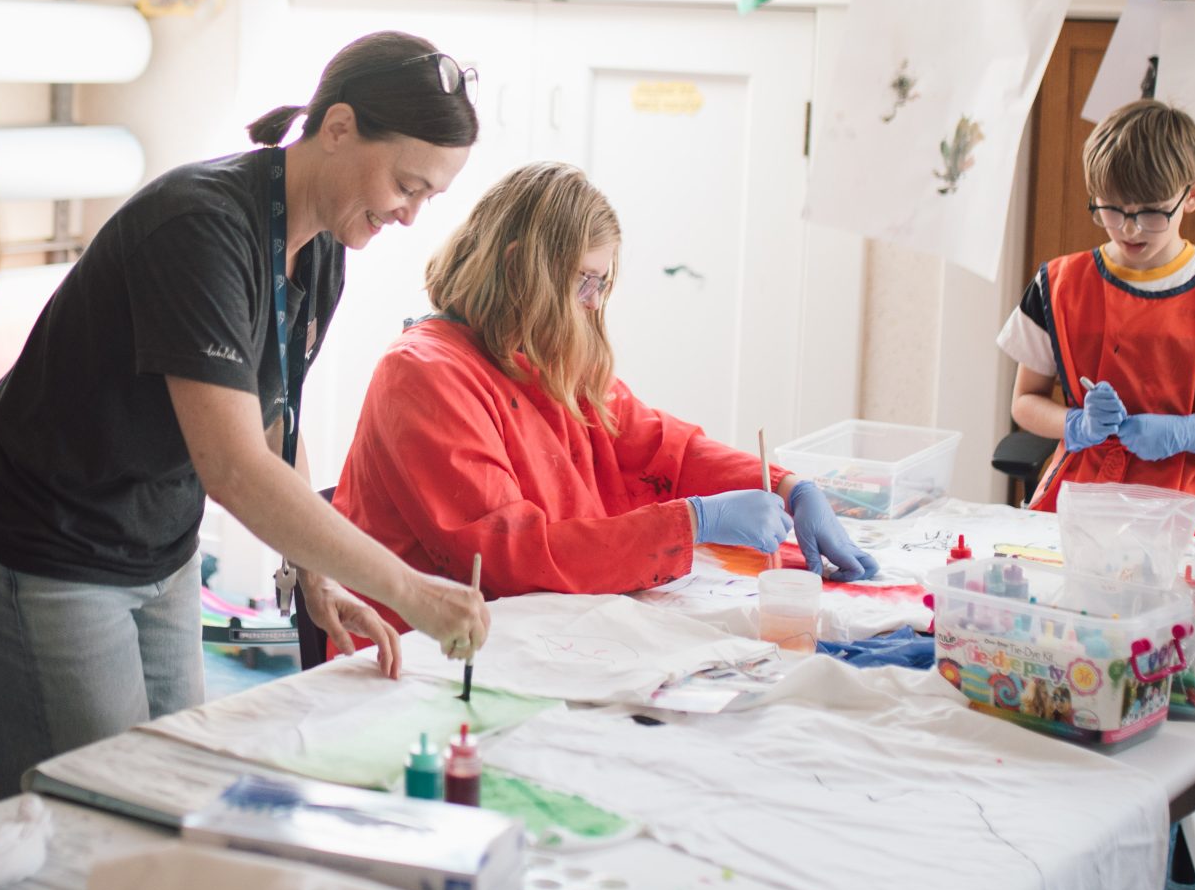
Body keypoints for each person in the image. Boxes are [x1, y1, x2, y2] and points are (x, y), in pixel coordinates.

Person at [0, 32, 493, 799]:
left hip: (155, 538)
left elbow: (276, 422)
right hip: (47, 533)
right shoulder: (201, 228)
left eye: (428, 196)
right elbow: (234, 468)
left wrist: (317, 573)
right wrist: (411, 593)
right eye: (408, 184)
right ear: (337, 128)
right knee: (89, 810)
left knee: (173, 790)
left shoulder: (322, 245)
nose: (409, 215)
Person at [336, 162, 876, 602]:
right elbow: (506, 557)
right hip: (425, 654)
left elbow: (663, 450)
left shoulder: (546, 356)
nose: (593, 302)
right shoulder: (424, 374)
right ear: (520, 266)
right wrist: (694, 522)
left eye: (601, 282)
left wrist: (784, 485)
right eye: (583, 281)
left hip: (537, 628)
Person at [998, 99, 1195, 539]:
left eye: (1151, 212)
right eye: (1112, 209)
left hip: (1183, 506)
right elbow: (1025, 401)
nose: (1129, 229)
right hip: (1080, 498)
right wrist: (1074, 425)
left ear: (1194, 194)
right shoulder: (1057, 286)